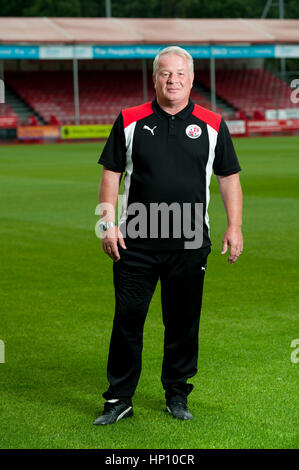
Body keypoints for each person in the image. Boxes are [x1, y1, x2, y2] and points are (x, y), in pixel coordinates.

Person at [94, 46, 243, 425]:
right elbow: (111, 173)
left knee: (183, 323)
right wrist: (106, 223)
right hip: (136, 241)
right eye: (165, 73)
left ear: (191, 79)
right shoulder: (129, 119)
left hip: (190, 242)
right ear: (155, 78)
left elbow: (228, 177)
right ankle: (119, 399)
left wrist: (235, 225)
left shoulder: (212, 123)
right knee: (128, 320)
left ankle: (177, 394)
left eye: (180, 74)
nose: (172, 80)